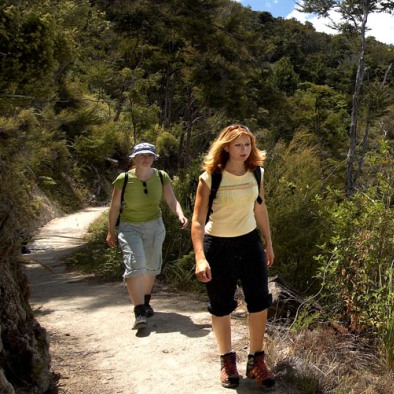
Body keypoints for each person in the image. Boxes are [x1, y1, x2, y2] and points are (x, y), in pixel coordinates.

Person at [191, 124, 275, 389]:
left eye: (247, 144)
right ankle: (227, 361)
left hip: (250, 243)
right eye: (238, 145)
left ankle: (256, 360)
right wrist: (200, 257)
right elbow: (197, 221)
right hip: (219, 246)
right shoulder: (210, 178)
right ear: (225, 146)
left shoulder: (256, 173)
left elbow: (260, 208)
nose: (244, 150)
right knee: (221, 305)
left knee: (260, 301)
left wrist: (268, 243)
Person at [106, 142, 189, 330]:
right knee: (135, 264)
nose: (145, 159)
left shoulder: (161, 176)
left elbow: (171, 199)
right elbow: (115, 207)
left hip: (155, 226)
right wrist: (111, 230)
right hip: (129, 227)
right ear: (134, 158)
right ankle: (139, 311)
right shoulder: (123, 179)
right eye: (141, 155)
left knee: (151, 266)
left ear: (154, 158)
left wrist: (180, 214)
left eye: (149, 155)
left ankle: (145, 301)